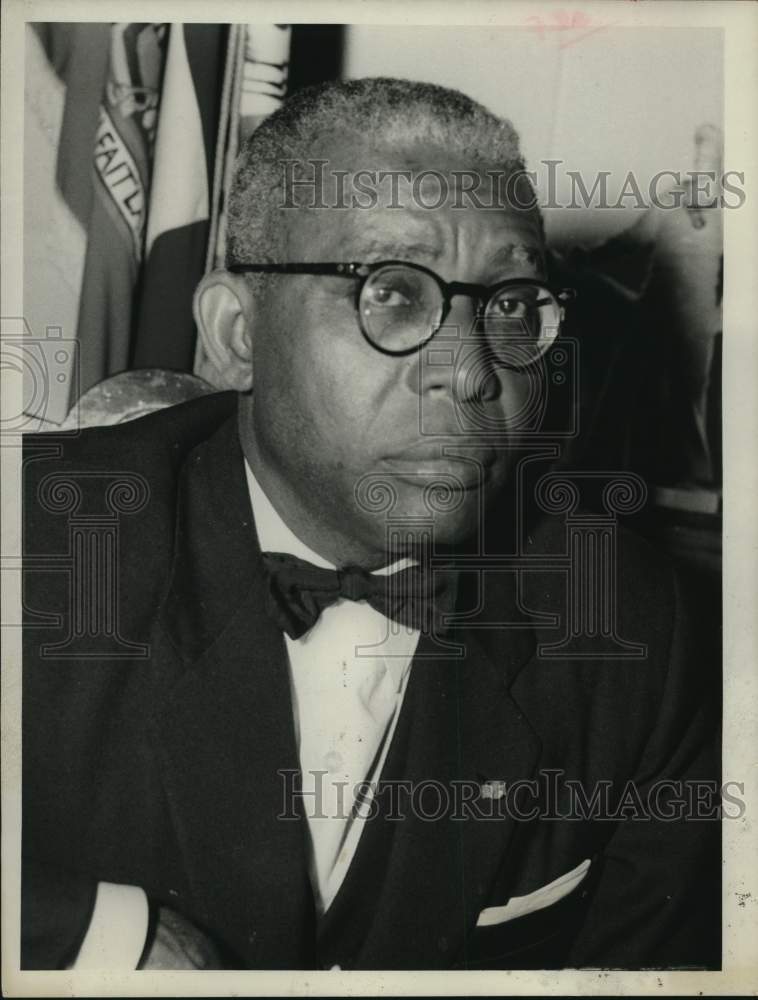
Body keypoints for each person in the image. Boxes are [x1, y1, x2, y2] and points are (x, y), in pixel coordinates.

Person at [21, 77, 720, 971]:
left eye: (509, 306)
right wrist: (100, 935)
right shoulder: (37, 545)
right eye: (392, 293)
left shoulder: (636, 628)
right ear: (238, 333)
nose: (468, 374)